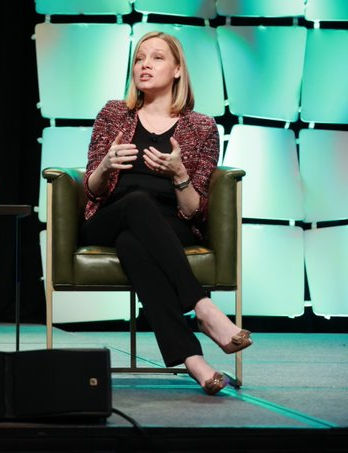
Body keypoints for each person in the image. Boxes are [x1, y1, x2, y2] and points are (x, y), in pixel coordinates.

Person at [80, 31, 252, 395]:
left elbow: (193, 210)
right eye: (140, 58)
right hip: (109, 219)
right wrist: (107, 165)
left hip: (171, 226)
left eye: (156, 58)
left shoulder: (201, 127)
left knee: (134, 245)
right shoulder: (113, 114)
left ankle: (193, 360)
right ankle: (202, 307)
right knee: (137, 205)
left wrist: (180, 174)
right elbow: (92, 191)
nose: (145, 65)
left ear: (177, 69)